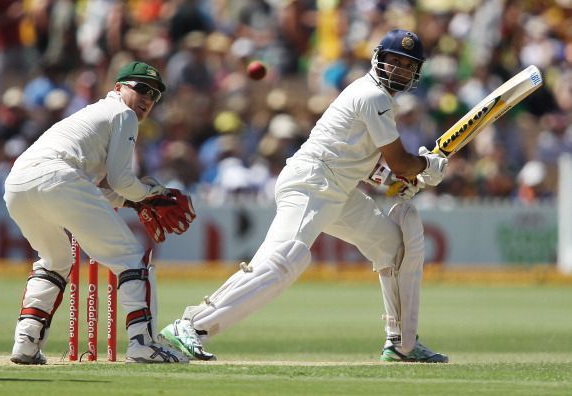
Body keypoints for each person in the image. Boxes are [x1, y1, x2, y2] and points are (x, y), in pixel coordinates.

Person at [159, 29, 450, 363]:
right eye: (393, 61)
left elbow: (366, 162)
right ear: (378, 59)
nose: (398, 69)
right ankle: (190, 326)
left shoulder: (375, 98)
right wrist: (426, 165)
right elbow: (400, 161)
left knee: (393, 247)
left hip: (337, 190)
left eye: (406, 65)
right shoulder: (373, 96)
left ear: (416, 72)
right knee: (286, 259)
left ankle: (401, 343)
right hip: (313, 183)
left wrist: (402, 178)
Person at [4, 61, 196, 364]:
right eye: (142, 89)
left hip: (18, 184)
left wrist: (135, 202)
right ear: (118, 88)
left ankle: (26, 343)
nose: (148, 98)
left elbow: (96, 188)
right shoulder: (123, 113)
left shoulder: (95, 114)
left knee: (55, 260)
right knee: (131, 257)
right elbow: (121, 180)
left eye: (155, 95)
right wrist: (152, 195)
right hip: (58, 177)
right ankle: (143, 344)